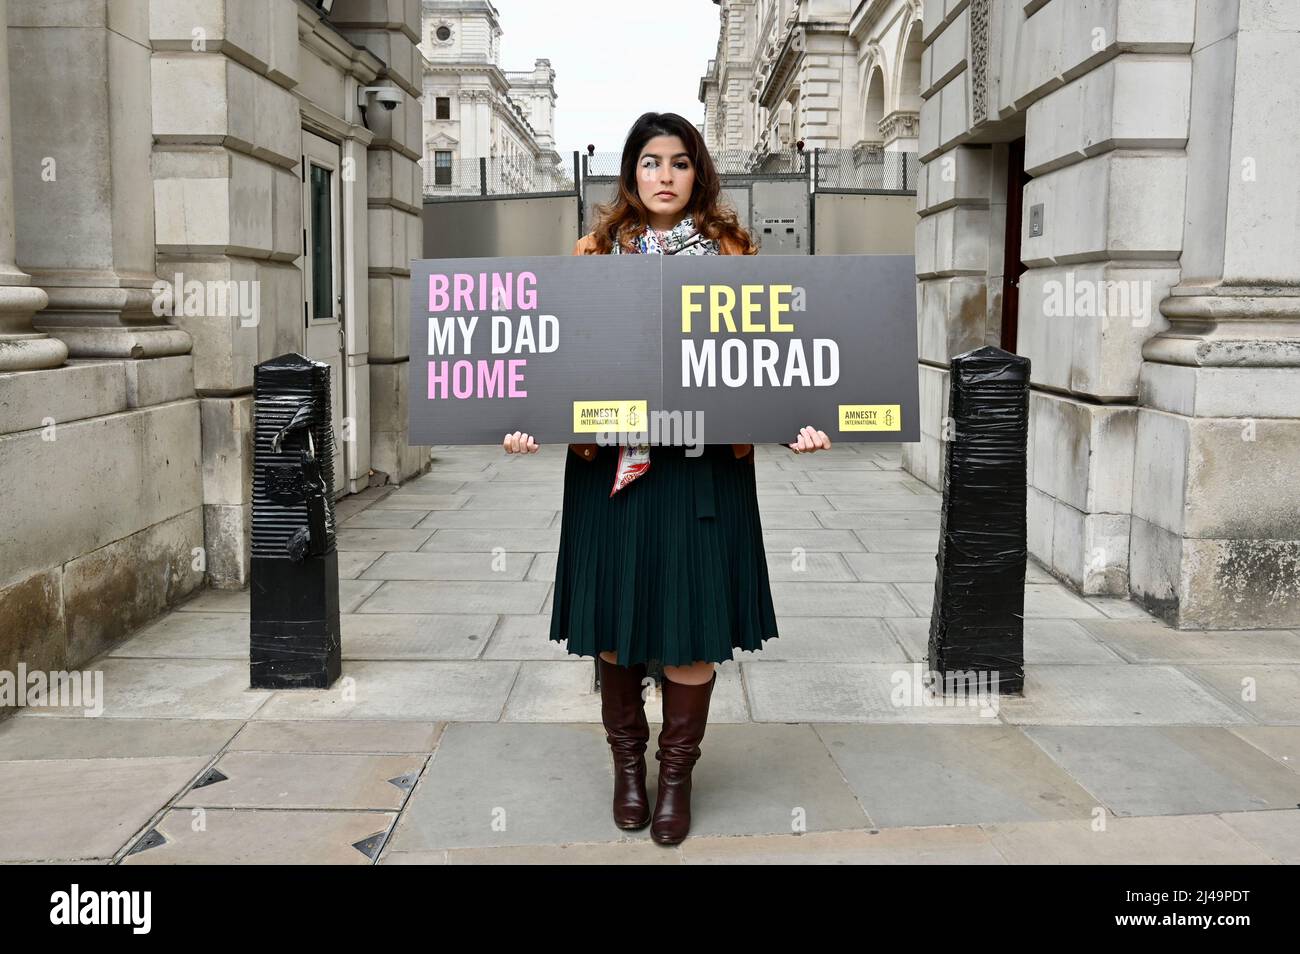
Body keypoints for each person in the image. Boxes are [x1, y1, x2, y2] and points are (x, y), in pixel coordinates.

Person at [502, 111, 830, 846]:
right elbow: (552, 359)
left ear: (698, 173)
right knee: (616, 625)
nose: (664, 176)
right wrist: (524, 416)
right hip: (609, 470)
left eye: (679, 163)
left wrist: (800, 421)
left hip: (700, 471)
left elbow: (770, 364)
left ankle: (676, 774)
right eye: (650, 163)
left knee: (690, 631)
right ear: (630, 174)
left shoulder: (734, 257)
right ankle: (628, 767)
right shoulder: (591, 256)